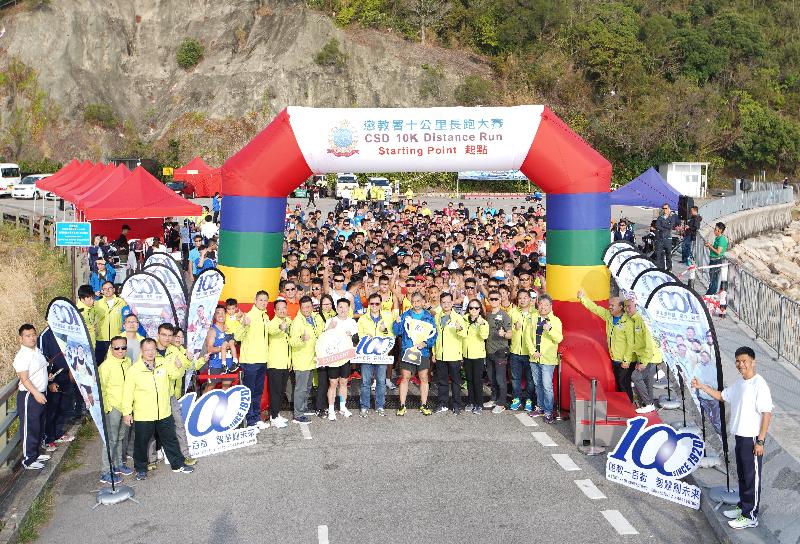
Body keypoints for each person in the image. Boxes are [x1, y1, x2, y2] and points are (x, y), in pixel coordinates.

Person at [692, 347, 773, 530]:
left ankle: (750, 516)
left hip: (752, 439)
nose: (740, 364)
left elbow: (767, 413)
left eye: (744, 361)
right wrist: (701, 386)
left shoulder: (759, 384)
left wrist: (760, 441)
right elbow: (721, 395)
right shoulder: (739, 384)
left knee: (752, 478)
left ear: (753, 361)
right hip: (740, 437)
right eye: (738, 361)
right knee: (744, 477)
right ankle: (743, 507)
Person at [121, 338, 193, 481]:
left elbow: (175, 375)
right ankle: (141, 469)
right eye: (147, 350)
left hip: (164, 412)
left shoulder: (163, 363)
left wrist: (179, 367)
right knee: (141, 443)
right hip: (144, 414)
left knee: (170, 439)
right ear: (142, 351)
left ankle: (177, 464)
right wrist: (126, 412)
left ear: (156, 350)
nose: (150, 352)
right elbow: (127, 393)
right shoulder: (134, 370)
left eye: (152, 349)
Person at [578, 289, 634, 402]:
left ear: (621, 307)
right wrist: (583, 298)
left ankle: (628, 406)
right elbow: (595, 308)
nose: (610, 307)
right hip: (615, 358)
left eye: (612, 305)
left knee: (624, 384)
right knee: (619, 384)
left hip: (625, 361)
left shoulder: (627, 322)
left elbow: (631, 343)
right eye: (609, 305)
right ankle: (622, 406)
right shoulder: (609, 316)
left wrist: (627, 361)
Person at [392, 291, 437, 416]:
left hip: (423, 352)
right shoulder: (406, 315)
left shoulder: (428, 316)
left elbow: (434, 334)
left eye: (418, 301)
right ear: (411, 302)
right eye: (413, 301)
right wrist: (396, 322)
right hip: (408, 350)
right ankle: (402, 405)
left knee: (423, 378)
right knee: (405, 378)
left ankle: (424, 404)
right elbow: (397, 331)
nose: (416, 304)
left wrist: (426, 343)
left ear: (423, 302)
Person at [14, 324, 50, 470]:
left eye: (34, 334)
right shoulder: (22, 356)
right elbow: (24, 379)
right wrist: (36, 393)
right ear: (21, 339)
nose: (32, 338)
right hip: (30, 395)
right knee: (30, 427)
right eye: (28, 336)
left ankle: (35, 453)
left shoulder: (37, 351)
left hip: (42, 392)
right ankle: (28, 459)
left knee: (39, 425)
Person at [98, 336, 133, 484]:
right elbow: (102, 389)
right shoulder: (105, 366)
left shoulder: (128, 362)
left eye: (123, 347)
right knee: (110, 440)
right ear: (111, 349)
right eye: (116, 348)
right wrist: (107, 408)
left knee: (120, 437)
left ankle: (118, 464)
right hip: (112, 407)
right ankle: (105, 471)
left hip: (125, 407)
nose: (120, 350)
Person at [234, 291, 271, 430]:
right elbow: (237, 336)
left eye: (265, 300)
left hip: (262, 360)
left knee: (258, 392)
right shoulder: (248, 316)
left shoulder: (265, 316)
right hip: (250, 361)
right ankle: (249, 422)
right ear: (255, 300)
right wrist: (244, 324)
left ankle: (255, 418)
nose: (263, 302)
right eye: (260, 300)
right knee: (249, 391)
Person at [526, 294, 563, 423]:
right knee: (538, 385)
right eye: (541, 304)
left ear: (550, 306)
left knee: (547, 386)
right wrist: (533, 351)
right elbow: (527, 337)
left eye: (546, 305)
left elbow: (559, 338)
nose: (543, 307)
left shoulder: (555, 320)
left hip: (547, 359)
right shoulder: (533, 318)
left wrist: (550, 329)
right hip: (534, 358)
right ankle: (540, 408)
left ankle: (548, 411)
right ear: (538, 305)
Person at [289, 296, 325, 424]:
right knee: (301, 388)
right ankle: (298, 414)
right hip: (302, 360)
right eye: (304, 307)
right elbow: (292, 341)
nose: (306, 309)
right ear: (300, 307)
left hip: (313, 359)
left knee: (307, 387)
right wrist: (301, 339)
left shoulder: (316, 317)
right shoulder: (297, 322)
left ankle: (303, 408)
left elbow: (322, 332)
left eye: (309, 306)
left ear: (312, 306)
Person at [357, 293, 394, 416]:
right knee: (365, 381)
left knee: (381, 381)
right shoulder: (362, 319)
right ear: (368, 304)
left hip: (381, 355)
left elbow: (391, 337)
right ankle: (364, 406)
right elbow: (360, 335)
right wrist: (366, 338)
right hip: (367, 354)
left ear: (380, 304)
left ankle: (380, 405)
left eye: (377, 303)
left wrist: (385, 331)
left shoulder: (388, 317)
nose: (374, 306)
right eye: (371, 303)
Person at [432, 292, 467, 414]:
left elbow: (464, 335)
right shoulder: (437, 317)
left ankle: (456, 404)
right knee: (442, 381)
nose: (446, 304)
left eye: (448, 302)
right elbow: (435, 336)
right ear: (440, 303)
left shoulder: (458, 317)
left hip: (454, 355)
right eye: (443, 302)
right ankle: (443, 403)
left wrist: (459, 328)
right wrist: (434, 353)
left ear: (452, 303)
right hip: (440, 354)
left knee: (456, 381)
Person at [323, 299, 358, 420]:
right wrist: (329, 329)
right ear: (336, 308)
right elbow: (323, 339)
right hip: (333, 357)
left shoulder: (352, 322)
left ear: (349, 309)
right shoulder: (331, 321)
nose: (343, 310)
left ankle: (343, 407)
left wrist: (352, 336)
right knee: (333, 383)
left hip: (346, 357)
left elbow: (356, 339)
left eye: (345, 307)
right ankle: (331, 409)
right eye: (340, 307)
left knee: (343, 383)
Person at [624, 298, 659, 413]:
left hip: (650, 357)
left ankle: (648, 404)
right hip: (646, 357)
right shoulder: (635, 320)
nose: (627, 309)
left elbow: (650, 344)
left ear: (637, 307)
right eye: (625, 306)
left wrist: (643, 362)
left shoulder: (643, 320)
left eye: (629, 306)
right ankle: (649, 405)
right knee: (648, 382)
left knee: (636, 377)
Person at [483, 291, 512, 413]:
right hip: (489, 351)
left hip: (500, 351)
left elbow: (510, 334)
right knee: (492, 378)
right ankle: (494, 398)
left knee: (500, 378)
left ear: (500, 299)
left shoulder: (505, 315)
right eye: (491, 299)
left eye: (496, 299)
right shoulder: (488, 315)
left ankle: (501, 403)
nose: (493, 301)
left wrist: (504, 334)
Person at [266, 299, 292, 428]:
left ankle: (276, 413)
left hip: (285, 363)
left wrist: (290, 360)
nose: (282, 310)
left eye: (284, 308)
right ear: (275, 311)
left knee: (281, 391)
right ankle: (274, 417)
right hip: (275, 363)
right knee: (275, 391)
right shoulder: (272, 323)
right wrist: (280, 327)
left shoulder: (288, 321)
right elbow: (272, 331)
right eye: (279, 308)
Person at [508, 290, 535, 412]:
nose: (522, 300)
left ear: (530, 299)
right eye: (520, 298)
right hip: (515, 351)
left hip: (530, 352)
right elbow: (507, 329)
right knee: (515, 378)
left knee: (530, 379)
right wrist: (514, 328)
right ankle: (517, 399)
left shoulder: (535, 312)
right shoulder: (512, 312)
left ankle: (529, 400)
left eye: (525, 298)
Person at [462, 298, 490, 413]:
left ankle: (479, 404)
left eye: (476, 308)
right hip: (466, 354)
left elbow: (484, 336)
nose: (473, 310)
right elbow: (461, 335)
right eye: (471, 307)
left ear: (480, 310)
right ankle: (471, 401)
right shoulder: (463, 320)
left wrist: (481, 324)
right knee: (469, 380)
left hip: (478, 355)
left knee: (477, 380)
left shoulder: (483, 321)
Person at [94, 281, 127, 364]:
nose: (107, 290)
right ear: (102, 291)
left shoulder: (121, 302)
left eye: (109, 288)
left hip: (117, 337)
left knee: (116, 362)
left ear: (114, 289)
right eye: (104, 289)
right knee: (98, 362)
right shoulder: (97, 303)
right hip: (101, 338)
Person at [705, 222, 728, 295]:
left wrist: (709, 246)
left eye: (715, 229)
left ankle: (710, 295)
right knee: (712, 279)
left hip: (716, 261)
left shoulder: (721, 239)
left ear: (720, 230)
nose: (714, 231)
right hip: (713, 260)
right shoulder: (717, 238)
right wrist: (709, 246)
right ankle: (709, 293)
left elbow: (718, 252)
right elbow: (714, 250)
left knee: (714, 280)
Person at [653, 203, 678, 270]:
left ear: (669, 209)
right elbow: (657, 226)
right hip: (660, 238)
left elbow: (670, 226)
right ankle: (660, 268)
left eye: (666, 208)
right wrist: (666, 226)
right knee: (659, 254)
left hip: (668, 239)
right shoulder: (660, 217)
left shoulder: (672, 217)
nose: (664, 210)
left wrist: (663, 225)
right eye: (663, 208)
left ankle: (669, 268)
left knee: (668, 255)